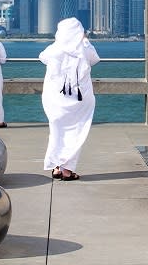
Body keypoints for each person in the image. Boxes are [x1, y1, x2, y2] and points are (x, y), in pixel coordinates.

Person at [39, 17, 100, 181]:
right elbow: (95, 59)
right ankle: (67, 170)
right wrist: (86, 42)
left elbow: (42, 57)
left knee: (57, 132)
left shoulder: (53, 49)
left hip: (56, 99)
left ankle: (57, 167)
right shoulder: (85, 49)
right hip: (79, 100)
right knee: (75, 133)